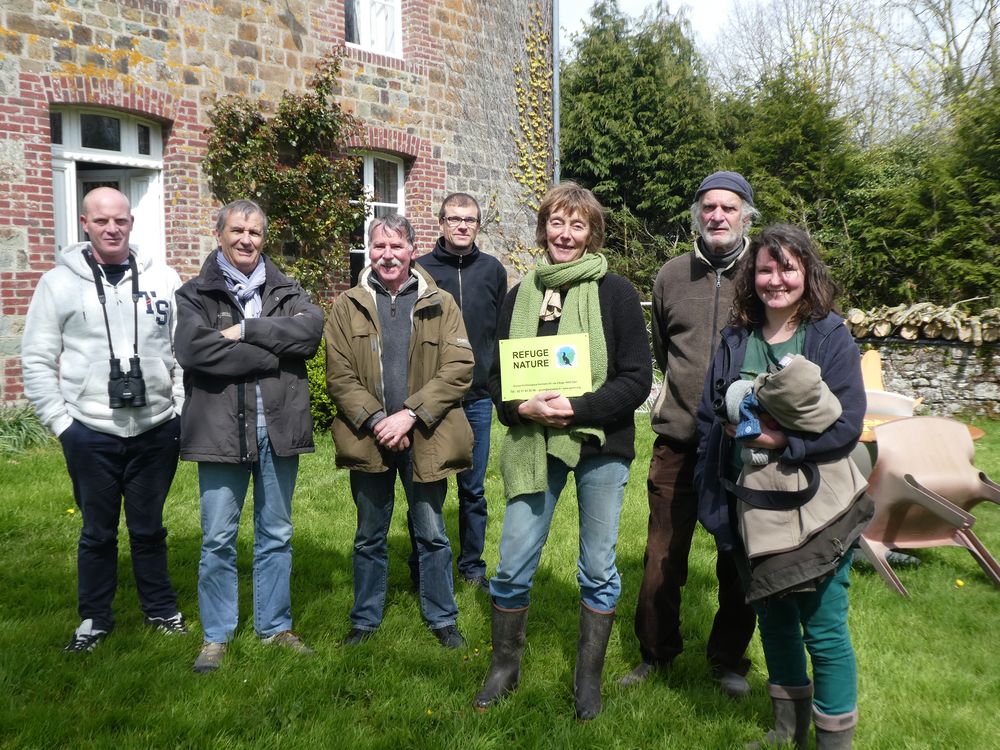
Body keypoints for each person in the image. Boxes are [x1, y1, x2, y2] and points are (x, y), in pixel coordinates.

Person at [473, 182, 651, 719]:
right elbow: (498, 379)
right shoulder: (519, 295)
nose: (565, 234)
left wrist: (576, 409)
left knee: (598, 565)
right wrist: (520, 409)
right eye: (556, 223)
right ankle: (505, 667)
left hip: (599, 443)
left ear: (591, 233)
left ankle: (587, 681)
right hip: (532, 443)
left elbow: (636, 379)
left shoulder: (615, 294)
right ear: (543, 229)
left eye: (577, 225)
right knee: (511, 562)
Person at [695, 224, 872, 749]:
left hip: (820, 501)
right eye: (766, 269)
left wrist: (781, 441)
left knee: (823, 625)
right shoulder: (735, 338)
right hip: (750, 502)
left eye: (787, 268)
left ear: (806, 273)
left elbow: (847, 424)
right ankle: (786, 732)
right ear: (752, 276)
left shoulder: (829, 334)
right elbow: (711, 413)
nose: (776, 280)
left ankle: (833, 742)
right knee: (772, 617)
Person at [22, 186, 187, 651]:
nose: (112, 229)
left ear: (131, 223)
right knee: (97, 531)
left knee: (149, 527)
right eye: (101, 221)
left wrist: (176, 410)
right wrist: (61, 424)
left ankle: (160, 609)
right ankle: (94, 618)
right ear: (85, 224)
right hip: (89, 430)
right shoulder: (58, 283)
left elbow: (183, 353)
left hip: (156, 427)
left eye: (120, 220)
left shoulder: (163, 279)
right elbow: (36, 359)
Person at [621, 171, 759, 696]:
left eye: (728, 207)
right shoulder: (671, 275)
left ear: (746, 215)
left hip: (743, 444)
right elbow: (664, 349)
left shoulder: (764, 274)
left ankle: (728, 659)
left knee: (739, 558)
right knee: (662, 554)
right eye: (708, 207)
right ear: (697, 214)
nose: (717, 216)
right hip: (678, 437)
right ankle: (656, 654)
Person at [175, 199, 323, 673]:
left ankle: (274, 626)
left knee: (276, 533)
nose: (246, 239)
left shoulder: (286, 288)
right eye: (237, 230)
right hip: (220, 432)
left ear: (264, 238)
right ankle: (216, 636)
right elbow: (194, 351)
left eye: (255, 232)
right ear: (219, 234)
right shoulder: (196, 293)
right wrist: (268, 355)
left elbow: (309, 333)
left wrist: (247, 330)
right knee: (218, 538)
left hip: (278, 429)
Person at [325, 214, 474, 649]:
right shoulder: (346, 304)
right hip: (368, 437)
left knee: (431, 532)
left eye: (395, 246)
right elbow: (339, 376)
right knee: (369, 535)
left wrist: (409, 415)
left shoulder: (441, 302)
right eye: (378, 247)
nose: (387, 255)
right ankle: (365, 620)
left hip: (425, 435)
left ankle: (442, 617)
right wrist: (377, 420)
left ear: (412, 249)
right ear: (369, 251)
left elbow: (459, 367)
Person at [414, 193, 507, 592]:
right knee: (426, 485)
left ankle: (472, 567)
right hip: (431, 397)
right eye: (454, 219)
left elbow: (502, 331)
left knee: (473, 490)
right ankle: (423, 564)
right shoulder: (421, 270)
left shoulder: (492, 270)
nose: (462, 226)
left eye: (469, 220)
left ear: (478, 225)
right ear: (441, 224)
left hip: (478, 397)